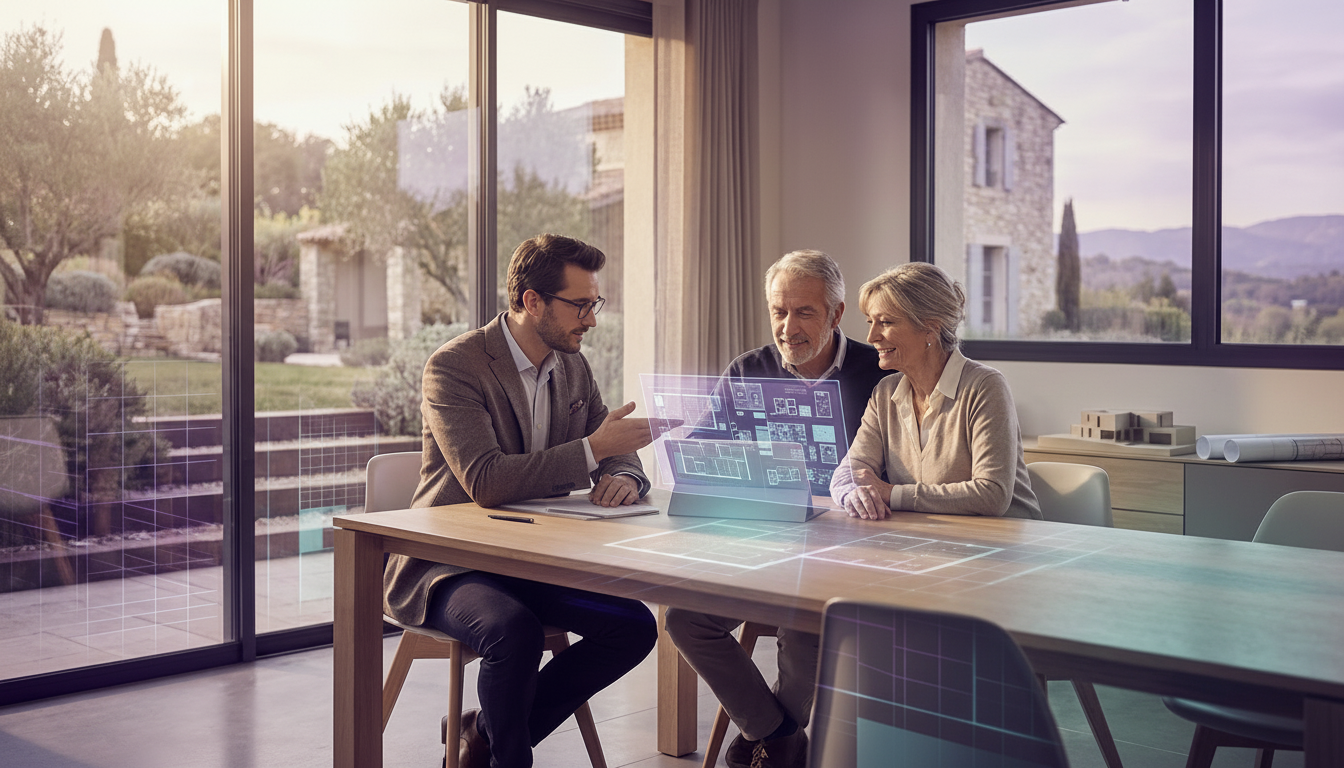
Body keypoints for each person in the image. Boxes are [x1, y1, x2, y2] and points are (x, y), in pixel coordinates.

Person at [382, 234, 660, 768]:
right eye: (580, 305)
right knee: (514, 632)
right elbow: (485, 480)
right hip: (449, 564)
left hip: (531, 560)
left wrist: (625, 474)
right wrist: (594, 450)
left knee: (633, 626)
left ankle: (485, 735)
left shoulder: (572, 366)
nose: (591, 320)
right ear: (532, 301)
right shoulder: (455, 366)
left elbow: (610, 442)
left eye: (595, 304)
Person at [664, 249, 890, 768]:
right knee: (684, 617)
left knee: (805, 629)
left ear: (836, 314)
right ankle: (777, 734)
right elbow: (704, 451)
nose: (788, 327)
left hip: (844, 554)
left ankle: (766, 740)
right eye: (779, 312)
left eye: (804, 312)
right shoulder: (749, 369)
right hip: (763, 545)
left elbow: (892, 471)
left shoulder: (877, 373)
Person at [830, 261, 1042, 521]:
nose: (872, 336)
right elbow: (848, 472)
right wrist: (853, 493)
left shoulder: (985, 386)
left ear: (930, 329)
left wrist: (892, 494)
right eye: (870, 322)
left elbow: (992, 494)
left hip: (1009, 538)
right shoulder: (885, 392)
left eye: (885, 322)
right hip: (934, 535)